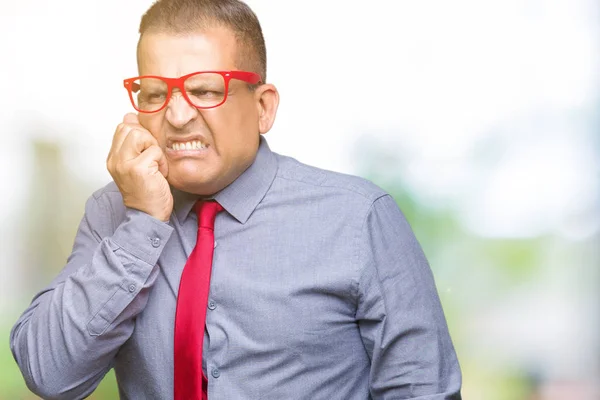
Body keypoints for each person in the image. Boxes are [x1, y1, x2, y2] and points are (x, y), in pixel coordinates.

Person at [10, 0, 462, 399]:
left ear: (263, 106)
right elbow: (50, 376)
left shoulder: (358, 218)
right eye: (154, 93)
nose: (178, 115)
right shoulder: (113, 213)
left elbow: (422, 389)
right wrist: (143, 222)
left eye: (205, 90)